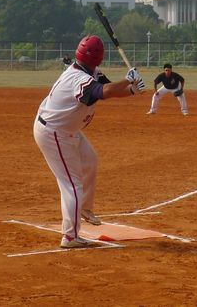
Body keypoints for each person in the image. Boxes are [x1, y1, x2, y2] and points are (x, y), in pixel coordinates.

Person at [33, 35, 145, 249]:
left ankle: (84, 208)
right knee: (71, 183)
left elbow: (109, 88)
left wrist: (131, 89)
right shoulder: (78, 79)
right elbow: (103, 92)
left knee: (90, 161)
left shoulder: (90, 72)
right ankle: (70, 236)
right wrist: (128, 80)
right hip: (54, 133)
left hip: (68, 130)